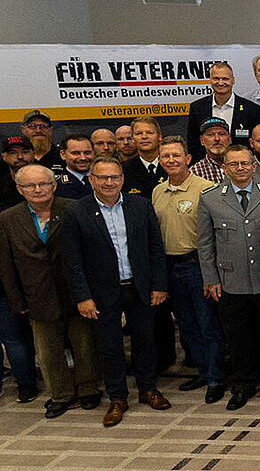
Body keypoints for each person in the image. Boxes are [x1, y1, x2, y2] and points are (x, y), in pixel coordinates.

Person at [60, 155, 172, 427]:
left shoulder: (140, 205)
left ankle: (148, 389)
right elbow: (72, 260)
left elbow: (156, 248)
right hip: (101, 292)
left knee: (145, 341)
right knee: (109, 347)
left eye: (114, 177)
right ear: (91, 180)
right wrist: (83, 297)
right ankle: (118, 398)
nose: (109, 182)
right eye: (103, 177)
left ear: (122, 179)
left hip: (139, 286)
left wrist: (159, 285)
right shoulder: (76, 211)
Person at [196, 145, 260, 410]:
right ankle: (243, 384)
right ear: (224, 168)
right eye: (233, 164)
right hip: (230, 281)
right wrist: (210, 278)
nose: (240, 168)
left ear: (254, 166)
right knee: (238, 337)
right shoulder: (210, 198)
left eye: (244, 163)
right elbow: (205, 244)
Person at [0, 164, 101, 416]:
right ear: (19, 189)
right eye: (30, 185)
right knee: (47, 351)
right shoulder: (7, 218)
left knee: (84, 345)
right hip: (37, 295)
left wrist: (89, 292)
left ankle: (88, 389)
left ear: (54, 185)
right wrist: (16, 300)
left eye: (43, 184)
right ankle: (61, 393)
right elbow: (6, 264)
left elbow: (91, 253)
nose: (38, 189)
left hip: (75, 292)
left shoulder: (74, 209)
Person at [151, 137, 225, 404]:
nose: (171, 160)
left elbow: (215, 235)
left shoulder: (206, 189)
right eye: (166, 156)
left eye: (176, 155)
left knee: (208, 325)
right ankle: (203, 372)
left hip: (198, 265)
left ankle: (216, 378)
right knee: (187, 326)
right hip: (171, 267)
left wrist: (211, 274)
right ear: (160, 160)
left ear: (188, 159)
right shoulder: (158, 191)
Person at [186, 61, 260, 164]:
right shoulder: (197, 108)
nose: (221, 83)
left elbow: (258, 144)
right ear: (210, 80)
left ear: (233, 80)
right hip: (207, 168)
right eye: (216, 78)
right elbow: (193, 144)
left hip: (242, 167)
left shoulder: (252, 109)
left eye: (225, 79)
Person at [122, 116, 166, 198]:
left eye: (149, 133)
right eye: (139, 133)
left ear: (159, 136)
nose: (144, 137)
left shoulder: (171, 164)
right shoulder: (124, 170)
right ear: (132, 139)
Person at [189, 118, 232, 184]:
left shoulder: (243, 166)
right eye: (210, 134)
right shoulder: (194, 173)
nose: (217, 138)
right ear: (202, 140)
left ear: (229, 139)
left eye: (221, 134)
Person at [54, 133, 94, 199]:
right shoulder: (57, 186)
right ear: (63, 154)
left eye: (87, 153)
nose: (83, 158)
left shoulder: (105, 179)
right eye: (76, 153)